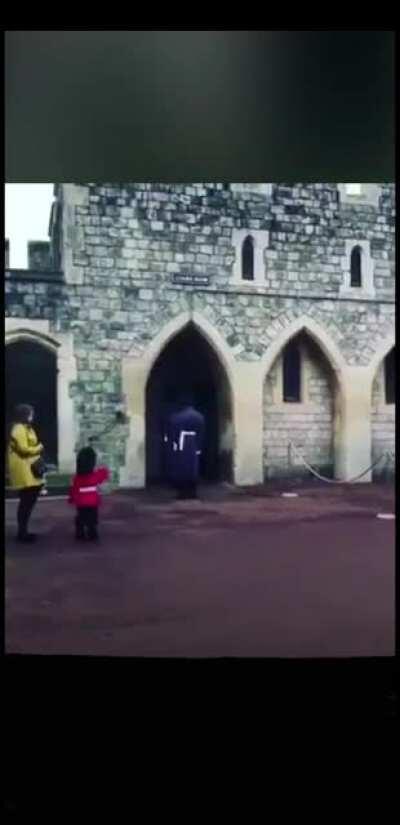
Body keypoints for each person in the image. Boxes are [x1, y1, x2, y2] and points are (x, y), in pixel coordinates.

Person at [7, 403, 45, 543]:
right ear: (24, 414)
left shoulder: (26, 428)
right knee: (26, 502)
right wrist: (39, 448)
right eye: (30, 413)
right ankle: (22, 533)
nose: (32, 415)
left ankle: (23, 531)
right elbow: (23, 449)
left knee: (28, 501)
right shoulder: (18, 429)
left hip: (29, 467)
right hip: (24, 469)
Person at [164, 392, 205, 499]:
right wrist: (199, 448)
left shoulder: (177, 417)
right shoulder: (199, 416)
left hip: (182, 443)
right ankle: (192, 492)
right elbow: (201, 433)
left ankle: (182, 492)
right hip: (194, 443)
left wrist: (174, 446)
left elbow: (172, 433)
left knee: (181, 468)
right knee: (193, 468)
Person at [68, 446, 110, 541]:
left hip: (80, 501)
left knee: (80, 517)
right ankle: (92, 533)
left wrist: (71, 499)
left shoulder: (76, 478)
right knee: (92, 518)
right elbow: (105, 472)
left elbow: (73, 490)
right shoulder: (95, 475)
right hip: (92, 501)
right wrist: (99, 461)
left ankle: (80, 533)